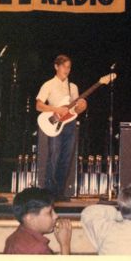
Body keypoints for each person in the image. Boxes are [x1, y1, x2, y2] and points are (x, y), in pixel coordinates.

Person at [36, 54, 87, 201]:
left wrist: (82, 107)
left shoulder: (73, 87)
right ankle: (48, 192)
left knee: (66, 158)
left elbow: (74, 110)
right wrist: (56, 110)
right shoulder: (48, 84)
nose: (67, 69)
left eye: (69, 67)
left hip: (70, 124)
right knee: (54, 156)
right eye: (64, 66)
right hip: (55, 123)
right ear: (56, 67)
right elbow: (38, 105)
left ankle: (59, 192)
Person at [4, 187, 72, 254]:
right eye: (50, 212)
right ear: (29, 217)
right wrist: (65, 245)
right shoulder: (38, 249)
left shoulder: (14, 238)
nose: (56, 216)